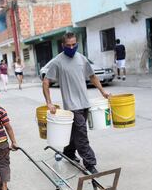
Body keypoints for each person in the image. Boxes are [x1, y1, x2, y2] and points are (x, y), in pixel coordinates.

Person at [42, 32, 110, 174]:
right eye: (68, 45)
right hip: (72, 106)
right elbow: (46, 81)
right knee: (82, 136)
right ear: (63, 45)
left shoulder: (81, 58)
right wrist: (49, 102)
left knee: (75, 133)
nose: (72, 47)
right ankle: (90, 163)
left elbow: (92, 76)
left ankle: (68, 152)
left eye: (74, 44)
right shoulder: (57, 61)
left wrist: (103, 92)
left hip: (84, 103)